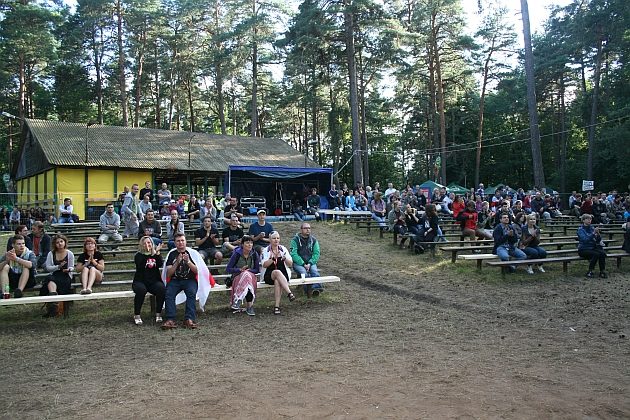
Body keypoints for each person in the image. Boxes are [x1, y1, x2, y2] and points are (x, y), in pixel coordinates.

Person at [161, 233, 212, 329]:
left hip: (190, 280)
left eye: (182, 240)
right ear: (175, 243)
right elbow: (168, 274)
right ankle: (170, 319)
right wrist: (176, 263)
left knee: (191, 292)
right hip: (175, 280)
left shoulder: (193, 253)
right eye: (178, 241)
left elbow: (198, 271)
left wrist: (188, 262)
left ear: (186, 242)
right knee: (169, 293)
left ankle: (189, 319)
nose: (180, 243)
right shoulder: (171, 254)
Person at [132, 236, 166, 325]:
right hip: (140, 281)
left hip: (153, 281)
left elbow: (159, 264)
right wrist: (151, 254)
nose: (147, 245)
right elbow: (140, 265)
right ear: (141, 245)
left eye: (149, 243)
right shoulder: (138, 255)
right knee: (141, 290)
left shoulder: (156, 254)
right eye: (145, 243)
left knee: (161, 288)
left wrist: (156, 253)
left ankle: (158, 313)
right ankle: (137, 314)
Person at [261, 231, 296, 315]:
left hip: (283, 275)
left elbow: (290, 264)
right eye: (274, 238)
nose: (276, 240)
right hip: (269, 274)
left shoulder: (283, 249)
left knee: (277, 280)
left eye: (278, 238)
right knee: (276, 272)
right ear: (269, 240)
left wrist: (284, 259)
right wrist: (272, 259)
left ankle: (276, 307)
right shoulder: (266, 250)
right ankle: (289, 293)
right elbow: (264, 265)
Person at [225, 235, 260, 316]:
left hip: (251, 277)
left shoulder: (254, 254)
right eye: (247, 243)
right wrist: (240, 270)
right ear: (242, 244)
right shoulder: (236, 254)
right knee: (246, 276)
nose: (250, 245)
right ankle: (249, 306)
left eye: (251, 243)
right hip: (237, 277)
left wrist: (248, 270)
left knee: (247, 276)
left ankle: (238, 299)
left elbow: (257, 269)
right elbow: (228, 269)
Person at [290, 222, 322, 297]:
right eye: (305, 228)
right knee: (304, 273)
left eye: (309, 228)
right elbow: (293, 254)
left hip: (310, 262)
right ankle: (308, 291)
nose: (308, 230)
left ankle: (316, 289)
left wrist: (310, 263)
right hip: (298, 263)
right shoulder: (295, 240)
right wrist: (303, 264)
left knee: (315, 272)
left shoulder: (314, 240)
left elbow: (316, 253)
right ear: (301, 230)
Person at [577, 213, 607, 278]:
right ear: (583, 220)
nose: (589, 220)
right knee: (596, 254)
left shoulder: (592, 228)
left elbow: (598, 240)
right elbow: (585, 240)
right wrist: (593, 234)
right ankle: (590, 271)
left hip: (592, 248)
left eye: (590, 219)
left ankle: (602, 271)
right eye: (587, 219)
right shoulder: (580, 230)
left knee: (602, 253)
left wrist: (598, 234)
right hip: (583, 249)